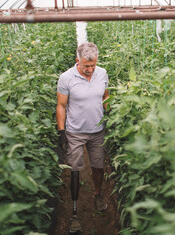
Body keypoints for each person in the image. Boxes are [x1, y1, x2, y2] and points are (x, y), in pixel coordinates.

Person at [56, 42, 109, 233]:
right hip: (75, 132)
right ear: (77, 60)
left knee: (98, 166)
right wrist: (61, 132)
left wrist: (109, 113)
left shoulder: (102, 74)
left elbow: (105, 96)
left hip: (97, 130)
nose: (90, 70)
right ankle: (75, 211)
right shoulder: (66, 78)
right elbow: (61, 105)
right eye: (86, 66)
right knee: (76, 170)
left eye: (93, 65)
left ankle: (97, 194)